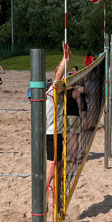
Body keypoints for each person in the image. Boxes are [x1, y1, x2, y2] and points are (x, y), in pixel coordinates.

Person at [45, 52, 70, 197]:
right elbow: (58, 77)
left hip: (58, 132)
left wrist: (67, 61)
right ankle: (46, 191)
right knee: (52, 165)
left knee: (59, 165)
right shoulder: (51, 93)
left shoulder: (58, 92)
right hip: (52, 133)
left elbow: (62, 77)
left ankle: (55, 189)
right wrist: (65, 59)